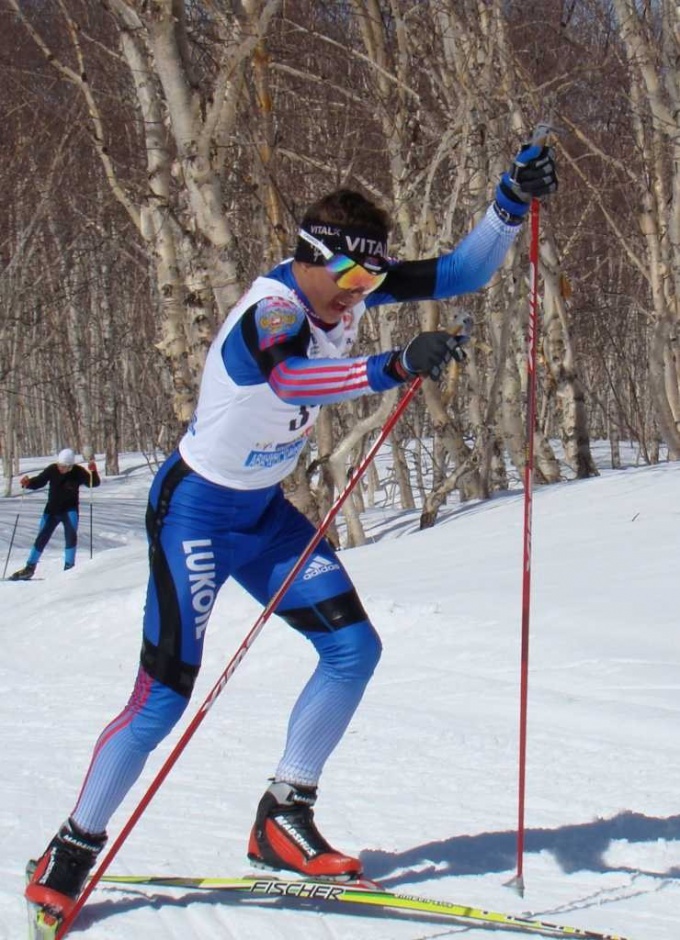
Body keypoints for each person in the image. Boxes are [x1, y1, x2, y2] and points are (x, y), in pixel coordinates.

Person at [25, 140, 557, 917]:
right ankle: (71, 847)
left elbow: (461, 273)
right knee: (163, 701)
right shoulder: (273, 311)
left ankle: (283, 813)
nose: (360, 295)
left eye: (372, 281)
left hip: (263, 513)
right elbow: (289, 377)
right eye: (348, 279)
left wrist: (510, 201)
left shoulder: (348, 288)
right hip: (197, 512)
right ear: (310, 256)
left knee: (352, 650)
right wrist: (391, 367)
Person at [9, 448, 100, 581]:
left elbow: (94, 483)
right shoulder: (52, 469)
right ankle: (29, 568)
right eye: (59, 465)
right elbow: (40, 481)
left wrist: (93, 472)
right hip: (51, 511)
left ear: (70, 466)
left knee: (71, 536)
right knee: (42, 537)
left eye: (63, 467)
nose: (60, 468)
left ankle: (69, 568)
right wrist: (28, 483)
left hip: (70, 510)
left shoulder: (78, 472)